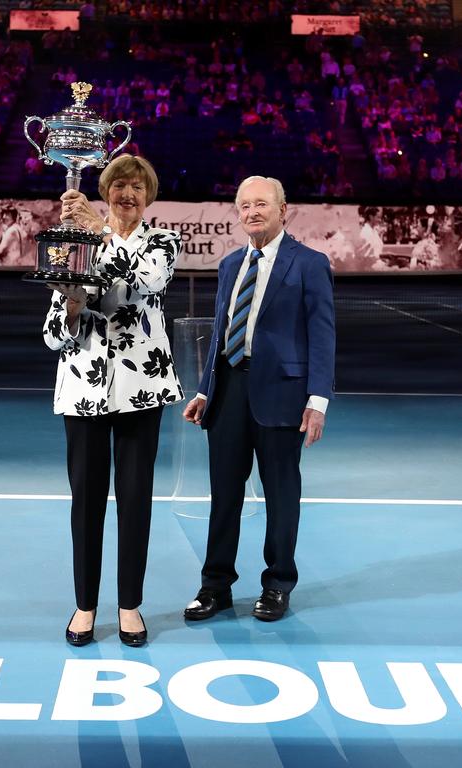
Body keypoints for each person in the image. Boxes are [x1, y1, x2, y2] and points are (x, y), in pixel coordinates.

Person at [42, 154, 183, 647]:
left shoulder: (162, 243)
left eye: (136, 188)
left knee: (135, 501)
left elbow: (145, 281)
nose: (127, 194)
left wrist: (100, 230)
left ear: (148, 198)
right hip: (82, 388)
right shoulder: (76, 243)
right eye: (118, 185)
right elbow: (53, 335)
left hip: (140, 390)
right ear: (104, 191)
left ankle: (130, 606)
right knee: (86, 503)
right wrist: (74, 306)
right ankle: (85, 606)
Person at [181, 176, 335, 623]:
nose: (252, 211)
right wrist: (206, 389)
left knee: (281, 495)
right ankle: (215, 587)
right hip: (228, 392)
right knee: (223, 495)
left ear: (283, 210)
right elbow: (220, 335)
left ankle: (278, 585)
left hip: (284, 397)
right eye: (245, 205)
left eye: (262, 204)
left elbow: (323, 336)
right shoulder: (230, 265)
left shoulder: (309, 264)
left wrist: (318, 400)